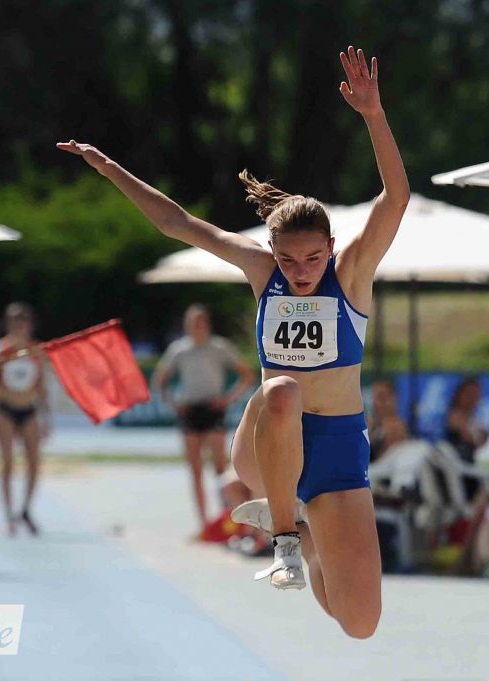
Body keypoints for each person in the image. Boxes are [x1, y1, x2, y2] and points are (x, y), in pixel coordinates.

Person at [58, 45, 409, 639]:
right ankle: (284, 540)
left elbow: (395, 199)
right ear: (272, 252)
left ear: (331, 248)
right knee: (283, 391)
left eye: (313, 258)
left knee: (360, 623)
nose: (301, 271)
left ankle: (309, 542)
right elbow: (178, 223)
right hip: (266, 438)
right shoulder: (260, 270)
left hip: (337, 450)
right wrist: (110, 168)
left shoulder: (351, 273)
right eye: (289, 260)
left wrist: (374, 117)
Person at [153, 304, 255, 535]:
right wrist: (173, 402)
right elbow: (160, 380)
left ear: (207, 324)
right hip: (190, 409)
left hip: (213, 407)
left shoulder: (219, 347)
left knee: (220, 469)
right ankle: (203, 523)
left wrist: (228, 399)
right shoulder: (179, 349)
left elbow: (247, 375)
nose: (197, 327)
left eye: (200, 322)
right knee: (195, 470)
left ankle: (226, 520)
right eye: (192, 323)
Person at [0, 302, 50, 536]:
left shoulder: (36, 350)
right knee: (7, 463)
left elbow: (41, 385)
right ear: (8, 323)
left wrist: (46, 416)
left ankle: (26, 509)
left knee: (34, 462)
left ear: (30, 323)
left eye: (23, 319)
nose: (20, 324)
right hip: (6, 410)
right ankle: (8, 514)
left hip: (29, 409)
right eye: (15, 320)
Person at [444, 377, 488, 465]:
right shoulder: (455, 415)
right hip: (454, 464)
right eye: (469, 394)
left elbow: (483, 439)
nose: (471, 399)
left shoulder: (472, 416)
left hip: (468, 462)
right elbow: (473, 439)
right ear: (459, 394)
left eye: (476, 394)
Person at [367, 379, 408, 462]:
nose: (377, 403)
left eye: (382, 397)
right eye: (375, 398)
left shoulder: (396, 428)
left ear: (393, 399)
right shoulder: (369, 424)